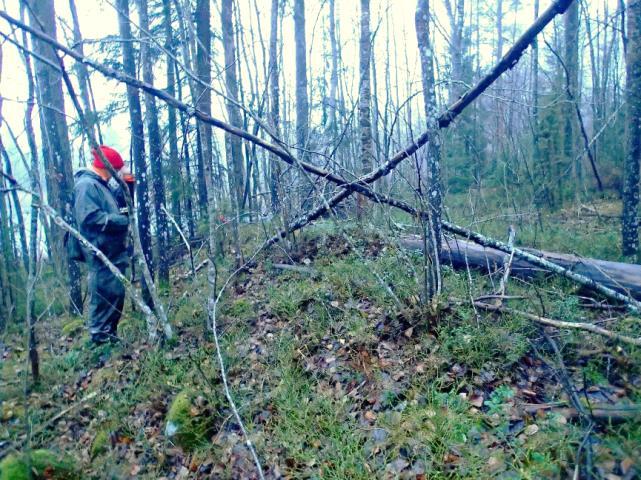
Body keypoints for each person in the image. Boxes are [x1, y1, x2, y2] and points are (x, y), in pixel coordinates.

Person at [73, 146, 132, 345]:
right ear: (108, 167)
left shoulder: (101, 184)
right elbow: (89, 217)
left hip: (111, 252)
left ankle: (109, 339)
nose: (119, 172)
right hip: (100, 253)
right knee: (104, 297)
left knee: (115, 294)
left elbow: (119, 205)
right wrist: (120, 221)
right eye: (117, 169)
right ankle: (100, 344)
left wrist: (128, 186)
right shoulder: (86, 186)